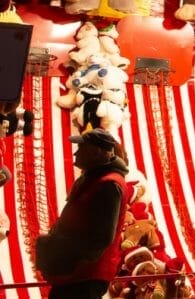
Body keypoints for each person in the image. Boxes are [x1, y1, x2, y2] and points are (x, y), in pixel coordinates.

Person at [34, 128, 130, 298]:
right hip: (79, 275)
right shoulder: (95, 178)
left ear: (95, 152)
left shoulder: (108, 184)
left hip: (85, 276)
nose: (76, 153)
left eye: (81, 148)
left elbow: (102, 237)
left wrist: (72, 261)